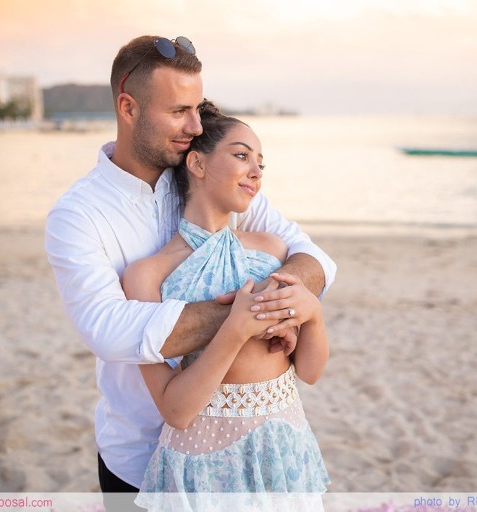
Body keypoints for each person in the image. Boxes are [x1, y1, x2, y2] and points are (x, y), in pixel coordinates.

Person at [44, 35, 336, 510]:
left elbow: (313, 259)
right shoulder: (79, 216)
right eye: (180, 110)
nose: (196, 125)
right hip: (140, 458)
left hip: (262, 450)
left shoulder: (204, 181)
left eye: (198, 108)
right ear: (128, 107)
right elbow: (108, 331)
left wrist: (291, 306)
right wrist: (248, 317)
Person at [122, 102, 330, 509]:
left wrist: (314, 313)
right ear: (197, 164)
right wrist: (234, 330)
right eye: (241, 155)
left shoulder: (273, 251)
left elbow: (310, 371)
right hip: (203, 464)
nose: (256, 171)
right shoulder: (147, 276)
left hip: (281, 450)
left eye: (260, 164)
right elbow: (176, 412)